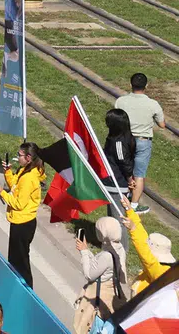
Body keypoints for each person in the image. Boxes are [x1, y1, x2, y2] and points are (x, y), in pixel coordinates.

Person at [0, 142, 43, 288]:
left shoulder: (29, 178)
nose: (17, 157)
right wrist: (8, 171)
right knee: (14, 258)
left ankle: (27, 288)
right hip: (19, 222)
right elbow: (15, 186)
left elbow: (18, 203)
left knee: (21, 261)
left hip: (23, 224)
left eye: (19, 155)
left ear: (28, 157)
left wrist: (1, 192)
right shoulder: (24, 170)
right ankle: (15, 284)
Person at [117, 72, 164, 214]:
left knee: (126, 169)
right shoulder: (152, 104)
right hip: (143, 141)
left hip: (126, 140)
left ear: (131, 84)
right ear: (146, 86)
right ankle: (134, 206)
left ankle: (124, 196)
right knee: (140, 174)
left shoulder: (121, 101)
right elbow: (162, 125)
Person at [72, 216, 127, 334]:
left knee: (86, 326)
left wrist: (84, 251)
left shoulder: (106, 255)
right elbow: (100, 267)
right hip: (111, 291)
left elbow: (89, 274)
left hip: (98, 295)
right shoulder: (119, 248)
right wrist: (86, 250)